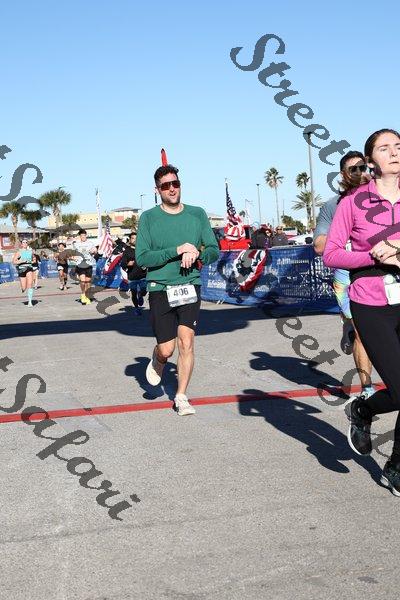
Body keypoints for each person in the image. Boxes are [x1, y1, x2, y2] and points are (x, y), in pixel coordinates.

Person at [323, 128, 400, 495]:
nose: (395, 152)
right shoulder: (353, 203)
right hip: (370, 301)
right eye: (385, 148)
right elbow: (331, 253)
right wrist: (372, 256)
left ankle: (396, 467)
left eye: (398, 146)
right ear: (371, 161)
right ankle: (363, 411)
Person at [136, 163, 219, 416]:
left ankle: (181, 396)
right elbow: (142, 258)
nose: (172, 189)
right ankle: (158, 358)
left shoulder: (197, 214)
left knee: (187, 342)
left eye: (175, 184)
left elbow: (213, 250)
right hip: (160, 287)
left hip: (189, 285)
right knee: (167, 349)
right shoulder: (148, 218)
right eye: (166, 186)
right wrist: (177, 250)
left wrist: (198, 253)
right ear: (157, 190)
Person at [314, 151, 374, 402]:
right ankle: (367, 389)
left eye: (363, 167)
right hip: (346, 277)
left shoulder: (383, 199)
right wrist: (348, 229)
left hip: (378, 272)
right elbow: (319, 246)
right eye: (353, 169)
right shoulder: (333, 205)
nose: (360, 173)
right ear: (343, 175)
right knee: (362, 333)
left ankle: (347, 327)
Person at [120, 231, 147, 315]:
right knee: (134, 293)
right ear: (130, 240)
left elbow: (148, 259)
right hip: (132, 276)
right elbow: (122, 264)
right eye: (132, 238)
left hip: (143, 275)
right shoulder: (127, 251)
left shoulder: (143, 249)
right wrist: (128, 264)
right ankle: (136, 308)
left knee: (144, 291)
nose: (134, 240)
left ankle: (141, 295)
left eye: (136, 238)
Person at [71, 229, 97, 305]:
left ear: (86, 235)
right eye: (81, 235)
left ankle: (87, 296)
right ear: (80, 236)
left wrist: (94, 251)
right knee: (82, 281)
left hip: (88, 264)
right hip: (80, 264)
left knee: (88, 282)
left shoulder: (90, 243)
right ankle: (83, 295)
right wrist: (73, 257)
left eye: (84, 235)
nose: (83, 237)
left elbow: (95, 250)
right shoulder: (76, 244)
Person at [12, 239, 35, 307]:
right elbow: (14, 261)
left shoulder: (30, 252)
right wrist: (21, 261)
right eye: (23, 242)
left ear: (27, 244)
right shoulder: (19, 252)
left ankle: (30, 302)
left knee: (30, 284)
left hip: (29, 268)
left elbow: (34, 259)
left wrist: (32, 261)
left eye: (26, 242)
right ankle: (23, 288)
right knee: (24, 288)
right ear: (21, 244)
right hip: (22, 269)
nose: (25, 243)